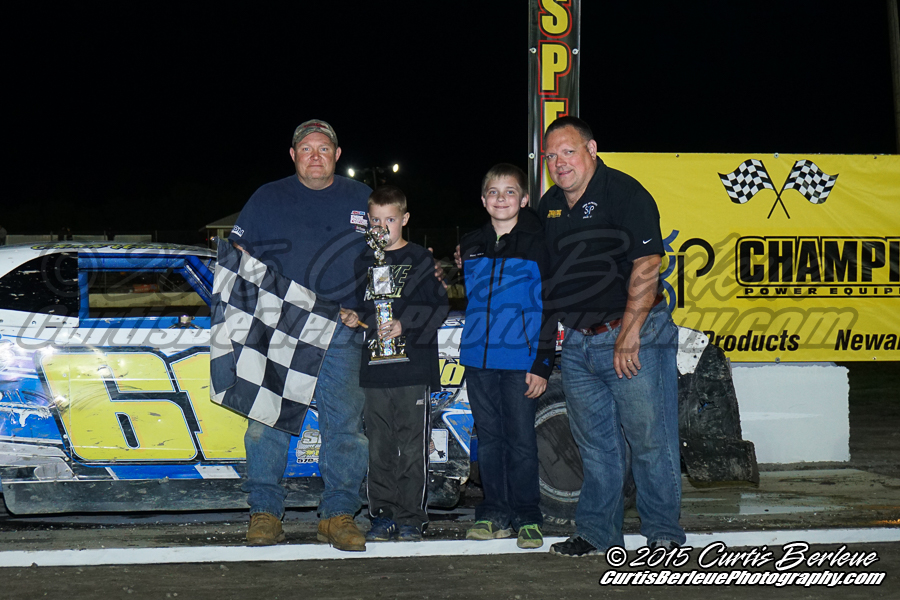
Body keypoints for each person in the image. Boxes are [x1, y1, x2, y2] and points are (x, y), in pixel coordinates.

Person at [538, 116, 686, 557]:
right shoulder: (550, 205)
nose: (560, 163)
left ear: (591, 149)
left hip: (634, 336)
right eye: (551, 156)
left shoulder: (625, 192)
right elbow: (534, 261)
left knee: (650, 440)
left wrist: (630, 333)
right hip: (578, 344)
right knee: (596, 446)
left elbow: (647, 264)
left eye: (568, 151)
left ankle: (663, 536)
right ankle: (598, 534)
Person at [229, 119, 371, 551]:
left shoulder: (362, 198)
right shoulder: (267, 197)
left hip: (342, 329)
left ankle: (338, 514)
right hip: (280, 327)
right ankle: (265, 513)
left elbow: (387, 258)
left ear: (337, 155)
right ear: (293, 155)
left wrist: (366, 310)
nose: (315, 156)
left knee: (345, 427)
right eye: (306, 148)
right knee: (266, 422)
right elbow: (238, 254)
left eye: (323, 148)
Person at [458, 164, 555, 549]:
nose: (502, 199)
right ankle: (494, 513)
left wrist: (541, 362)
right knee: (490, 440)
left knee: (521, 441)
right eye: (494, 192)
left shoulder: (539, 243)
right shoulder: (470, 244)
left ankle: (527, 516)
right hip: (478, 360)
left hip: (520, 361)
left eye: (510, 191)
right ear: (483, 200)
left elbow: (550, 306)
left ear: (524, 199)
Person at [348, 185, 449, 542]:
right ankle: (383, 514)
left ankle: (412, 516)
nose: (382, 227)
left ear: (404, 219)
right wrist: (354, 317)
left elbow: (439, 308)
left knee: (412, 446)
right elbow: (360, 309)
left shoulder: (420, 259)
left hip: (412, 369)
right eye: (376, 221)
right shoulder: (362, 261)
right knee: (378, 446)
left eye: (390, 220)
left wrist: (405, 324)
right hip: (375, 371)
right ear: (367, 222)